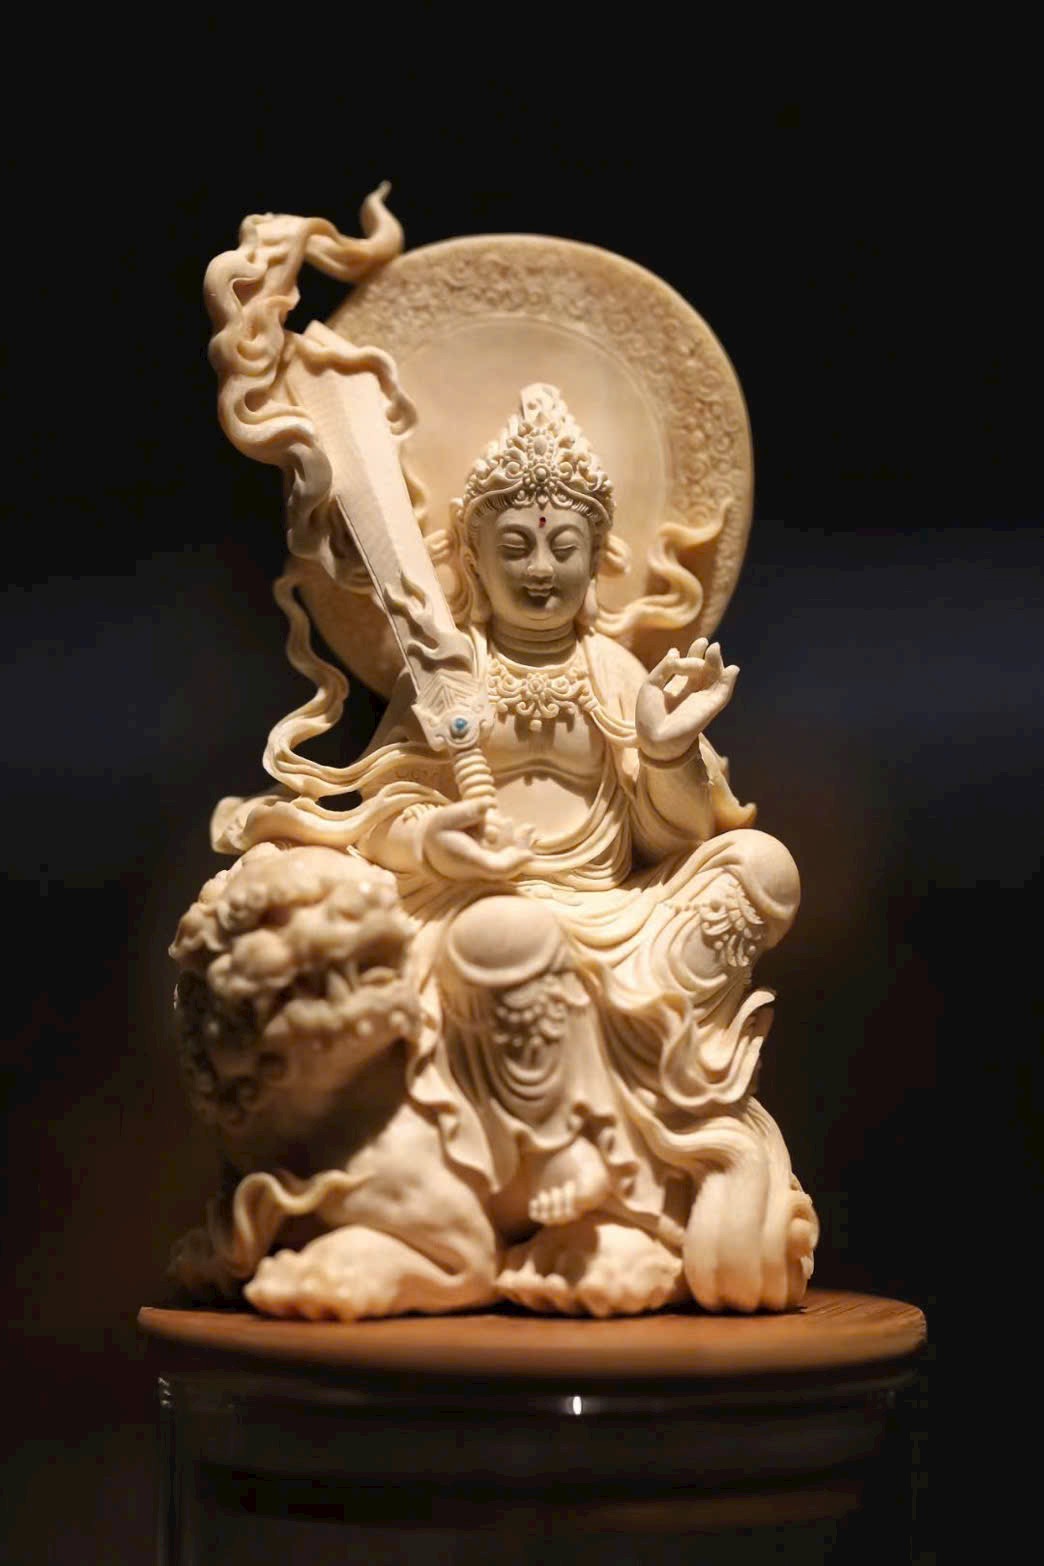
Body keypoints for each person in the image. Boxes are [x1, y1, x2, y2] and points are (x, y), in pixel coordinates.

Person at [210, 385, 817, 1316]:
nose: (541, 569)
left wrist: (666, 752)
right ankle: (562, 1149)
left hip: (613, 905)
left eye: (564, 546)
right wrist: (437, 841)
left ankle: (678, 1077)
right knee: (508, 934)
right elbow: (383, 806)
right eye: (516, 547)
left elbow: (674, 837)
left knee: (764, 867)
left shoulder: (613, 669)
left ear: (597, 559)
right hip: (480, 904)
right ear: (473, 559)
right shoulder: (448, 673)